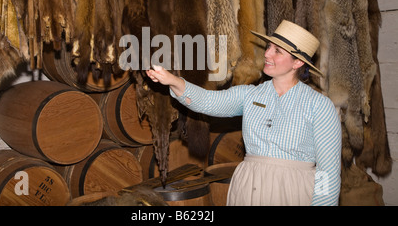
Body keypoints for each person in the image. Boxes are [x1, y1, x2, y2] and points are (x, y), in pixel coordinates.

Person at [146, 20, 342, 206]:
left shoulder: (319, 106)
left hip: (293, 190)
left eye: (277, 51)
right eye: (269, 47)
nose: (267, 54)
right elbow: (208, 101)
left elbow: (328, 172)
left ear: (297, 63)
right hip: (249, 187)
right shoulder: (250, 94)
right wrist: (173, 80)